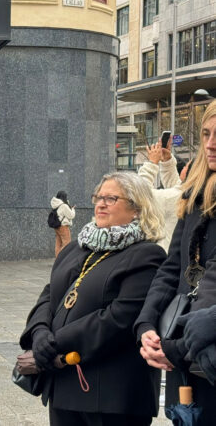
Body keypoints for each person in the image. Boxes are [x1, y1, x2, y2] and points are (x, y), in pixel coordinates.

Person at [21, 172, 167, 426]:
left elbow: (118, 319)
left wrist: (54, 342)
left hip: (112, 395)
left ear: (137, 209)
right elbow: (49, 295)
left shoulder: (147, 255)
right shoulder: (78, 247)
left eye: (111, 198)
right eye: (98, 197)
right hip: (64, 384)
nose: (100, 204)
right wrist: (39, 333)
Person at [136, 100, 216, 424]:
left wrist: (175, 348)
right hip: (184, 361)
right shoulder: (193, 194)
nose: (211, 144)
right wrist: (146, 326)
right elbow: (172, 268)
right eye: (207, 134)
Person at [138, 138, 185, 252]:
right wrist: (167, 161)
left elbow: (140, 193)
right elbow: (175, 186)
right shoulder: (188, 194)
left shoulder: (177, 196)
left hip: (164, 257)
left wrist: (152, 163)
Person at [50, 191, 76, 257]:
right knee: (67, 244)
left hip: (57, 226)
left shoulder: (55, 204)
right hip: (63, 226)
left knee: (58, 244)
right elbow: (71, 215)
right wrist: (73, 209)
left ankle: (57, 260)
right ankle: (62, 260)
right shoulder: (63, 206)